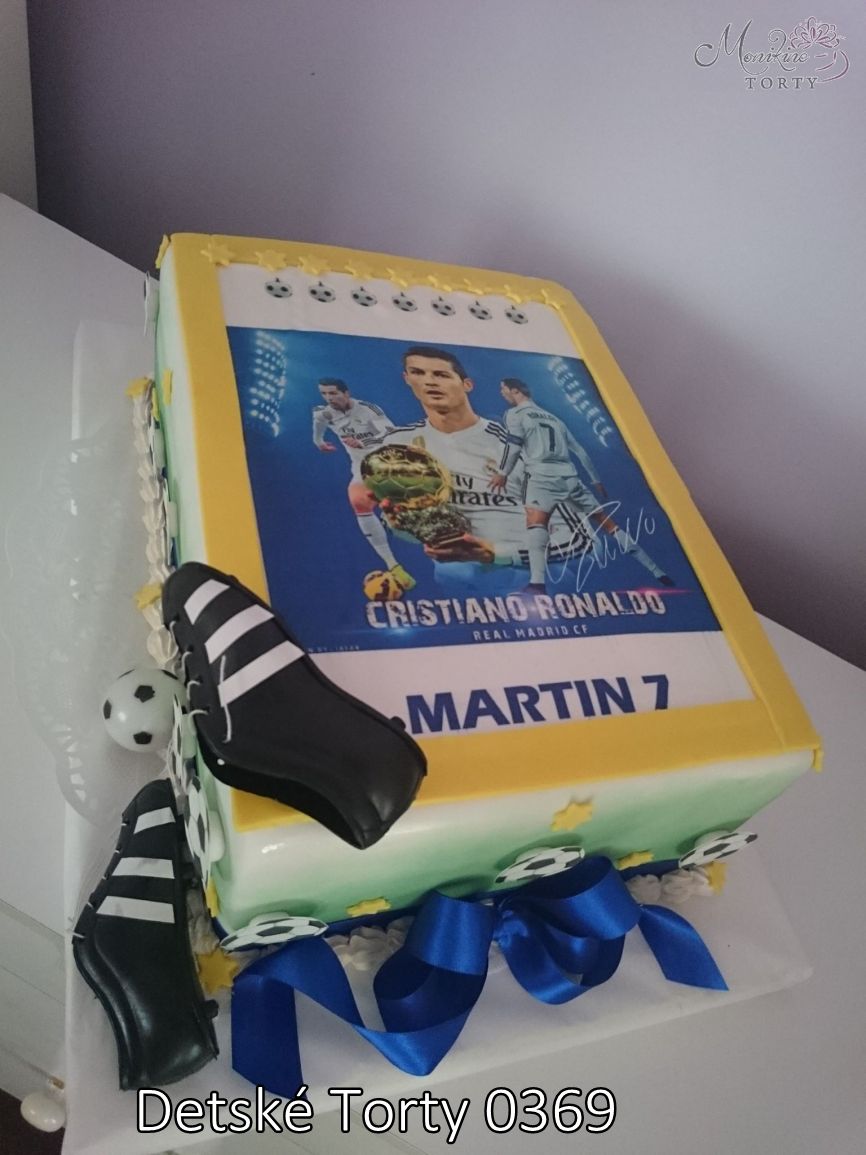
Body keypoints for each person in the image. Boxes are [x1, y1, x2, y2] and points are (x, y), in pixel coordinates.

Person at [376, 348, 576, 591]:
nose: (429, 382)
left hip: (534, 585)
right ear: (407, 379)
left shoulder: (515, 446)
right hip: (457, 586)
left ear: (467, 384)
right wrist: (403, 525)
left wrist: (496, 554)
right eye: (418, 373)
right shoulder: (397, 446)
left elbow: (578, 538)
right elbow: (408, 530)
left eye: (441, 375)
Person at [489, 377, 673, 590]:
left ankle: (537, 584)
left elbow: (513, 446)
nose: (502, 393)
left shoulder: (515, 414)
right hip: (569, 477)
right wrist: (595, 480)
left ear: (515, 391)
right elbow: (580, 451)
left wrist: (502, 473)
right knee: (608, 524)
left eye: (503, 389)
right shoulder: (555, 420)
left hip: (541, 476)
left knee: (536, 524)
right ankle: (656, 570)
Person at [312, 378, 414, 589]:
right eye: (324, 394)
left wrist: (364, 442)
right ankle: (393, 565)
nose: (329, 398)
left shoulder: (368, 410)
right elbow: (318, 425)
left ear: (346, 393)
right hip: (363, 467)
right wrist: (319, 442)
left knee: (410, 518)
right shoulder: (324, 413)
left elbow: (391, 434)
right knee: (358, 501)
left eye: (333, 393)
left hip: (389, 461)